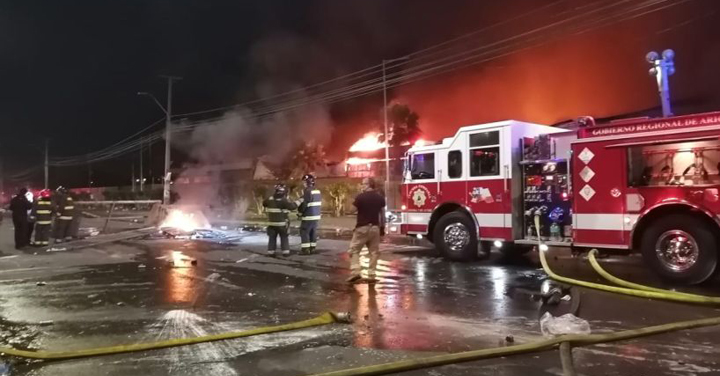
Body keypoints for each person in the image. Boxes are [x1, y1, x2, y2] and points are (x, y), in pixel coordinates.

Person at [346, 178, 386, 283]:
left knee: (354, 250)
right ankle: (372, 274)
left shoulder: (360, 197)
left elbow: (350, 210)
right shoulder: (380, 198)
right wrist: (382, 228)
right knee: (374, 252)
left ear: (369, 185)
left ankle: (355, 272)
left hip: (362, 228)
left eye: (363, 184)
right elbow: (382, 214)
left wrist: (353, 201)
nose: (362, 186)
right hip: (375, 228)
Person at [263, 184, 297, 257]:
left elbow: (264, 203)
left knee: (272, 238)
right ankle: (285, 252)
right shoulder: (284, 200)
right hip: (282, 224)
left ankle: (271, 252)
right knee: (284, 237)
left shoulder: (269, 199)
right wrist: (299, 201)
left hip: (271, 224)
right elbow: (292, 207)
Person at [296, 174, 322, 255]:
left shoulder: (307, 191)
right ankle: (312, 248)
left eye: (304, 182)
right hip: (316, 215)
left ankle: (305, 249)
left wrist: (300, 212)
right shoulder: (317, 191)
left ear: (307, 182)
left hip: (308, 215)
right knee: (312, 232)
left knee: (304, 232)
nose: (303, 183)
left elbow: (305, 203)